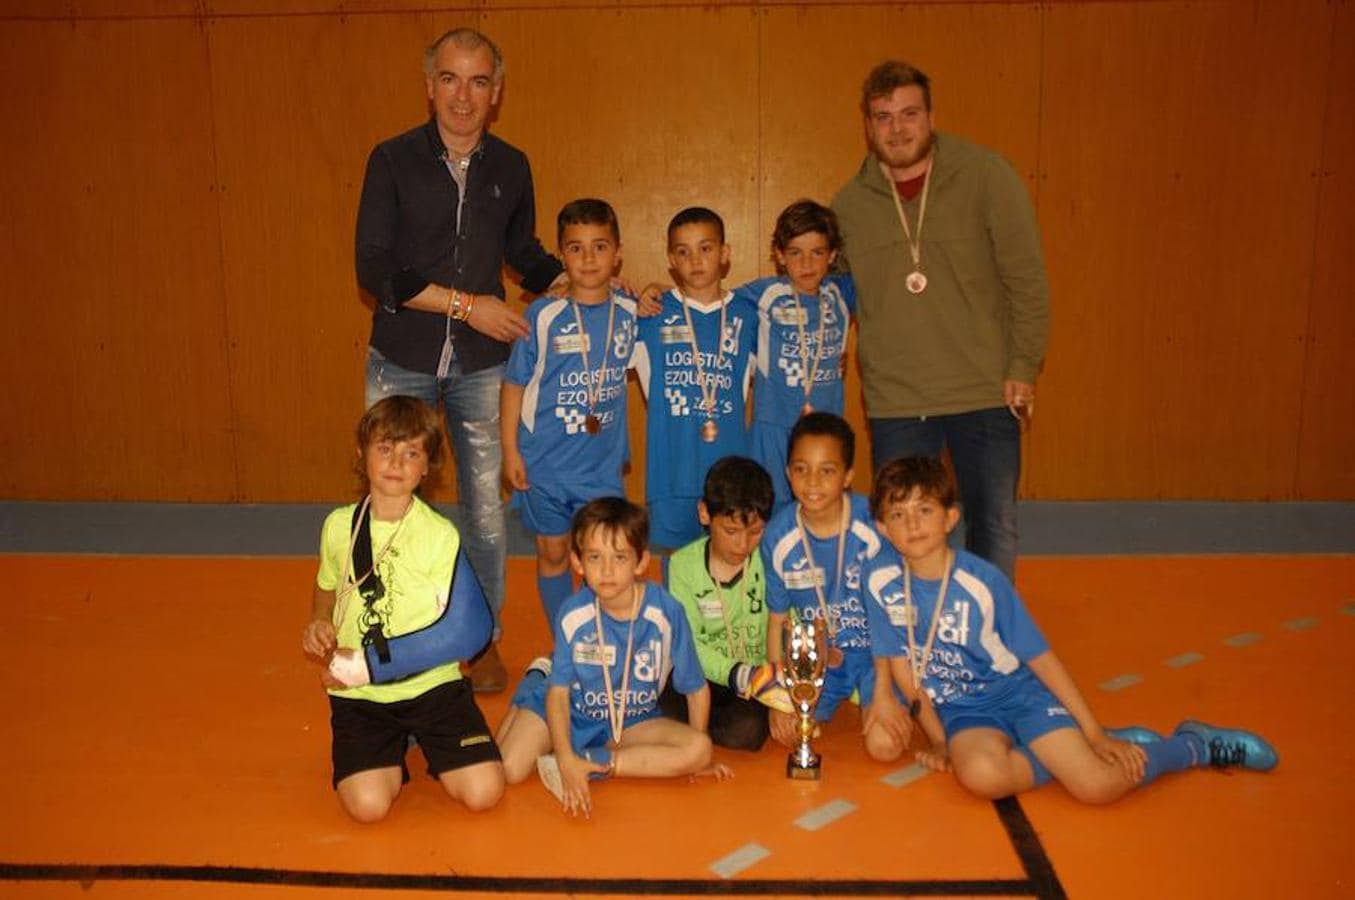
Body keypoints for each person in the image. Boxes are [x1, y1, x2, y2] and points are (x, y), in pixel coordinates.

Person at [862, 456, 1278, 802]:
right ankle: (1067, 745)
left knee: (1095, 787)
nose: (912, 524)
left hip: (1017, 695)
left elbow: (1041, 659)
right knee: (982, 778)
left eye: (925, 510)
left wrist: (1095, 734)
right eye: (898, 514)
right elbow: (904, 672)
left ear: (950, 518)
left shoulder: (983, 583)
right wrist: (939, 740)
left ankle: (1193, 745)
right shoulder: (880, 583)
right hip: (965, 713)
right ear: (882, 528)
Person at [355, 28, 565, 690]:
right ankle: (386, 635)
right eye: (449, 78)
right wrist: (470, 305)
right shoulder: (389, 161)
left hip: (481, 367)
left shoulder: (512, 165)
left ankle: (478, 643)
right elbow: (376, 270)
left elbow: (524, 253)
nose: (463, 95)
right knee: (390, 501)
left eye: (478, 81)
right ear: (429, 87)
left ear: (496, 93)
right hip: (401, 357)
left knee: (483, 514)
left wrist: (586, 282)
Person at [832, 60, 1051, 581]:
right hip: (899, 400)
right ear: (867, 124)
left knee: (993, 526)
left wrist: (1023, 364)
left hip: (985, 389)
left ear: (930, 116)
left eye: (909, 114)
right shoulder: (848, 205)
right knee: (903, 529)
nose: (897, 128)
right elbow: (823, 289)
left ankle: (985, 643)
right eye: (883, 117)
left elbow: (1028, 281)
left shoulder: (985, 176)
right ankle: (913, 642)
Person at [301, 396, 504, 822]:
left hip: (433, 685)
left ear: (427, 466)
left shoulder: (438, 535)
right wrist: (319, 619)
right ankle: (395, 745)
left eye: (411, 452)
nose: (396, 462)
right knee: (369, 808)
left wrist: (368, 665)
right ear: (362, 455)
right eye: (385, 448)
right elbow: (326, 587)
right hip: (364, 694)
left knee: (484, 792)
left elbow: (470, 631)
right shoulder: (339, 526)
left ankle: (420, 737)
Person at [495, 498, 729, 817]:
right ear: (578, 563)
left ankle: (597, 763)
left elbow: (695, 688)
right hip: (573, 710)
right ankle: (535, 680)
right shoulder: (574, 615)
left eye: (619, 558)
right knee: (507, 770)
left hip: (631, 721)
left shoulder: (666, 613)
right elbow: (559, 695)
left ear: (641, 562)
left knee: (700, 749)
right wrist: (565, 760)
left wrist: (698, 761)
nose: (606, 571)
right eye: (595, 557)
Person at [501, 199, 638, 631]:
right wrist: (510, 451)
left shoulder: (633, 313)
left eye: (600, 246)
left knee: (604, 557)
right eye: (575, 248)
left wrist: (649, 290)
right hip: (544, 463)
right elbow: (514, 384)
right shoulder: (543, 314)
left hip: (599, 467)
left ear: (618, 253)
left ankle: (600, 634)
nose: (588, 258)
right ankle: (566, 637)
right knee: (554, 553)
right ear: (561, 254)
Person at [760, 412, 907, 762]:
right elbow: (777, 620)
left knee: (884, 748)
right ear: (787, 473)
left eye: (827, 471)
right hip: (819, 660)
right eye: (800, 469)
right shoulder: (779, 537)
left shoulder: (872, 528)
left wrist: (884, 691)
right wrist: (779, 697)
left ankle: (900, 698)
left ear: (848, 476)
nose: (812, 482)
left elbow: (894, 617)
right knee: (789, 734)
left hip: (879, 655)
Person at [632, 207, 758, 550]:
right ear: (671, 259)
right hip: (670, 475)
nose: (696, 260)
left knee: (731, 568)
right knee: (675, 574)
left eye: (706, 248)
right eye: (683, 252)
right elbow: (595, 304)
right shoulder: (650, 314)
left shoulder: (749, 315)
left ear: (725, 253)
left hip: (730, 475)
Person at [660, 456, 791, 751]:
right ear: (705, 514)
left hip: (753, 681)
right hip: (701, 674)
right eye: (730, 531)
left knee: (747, 732)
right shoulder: (681, 565)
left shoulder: (772, 560)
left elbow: (785, 625)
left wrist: (777, 688)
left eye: (755, 532)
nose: (742, 545)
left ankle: (697, 728)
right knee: (661, 705)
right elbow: (690, 645)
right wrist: (737, 673)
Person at [739, 200, 855, 512]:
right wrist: (661, 291)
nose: (806, 263)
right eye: (795, 252)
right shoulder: (764, 294)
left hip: (826, 426)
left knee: (825, 508)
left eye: (817, 252)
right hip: (773, 425)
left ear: (832, 255)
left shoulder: (842, 293)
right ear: (779, 255)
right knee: (768, 510)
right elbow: (707, 301)